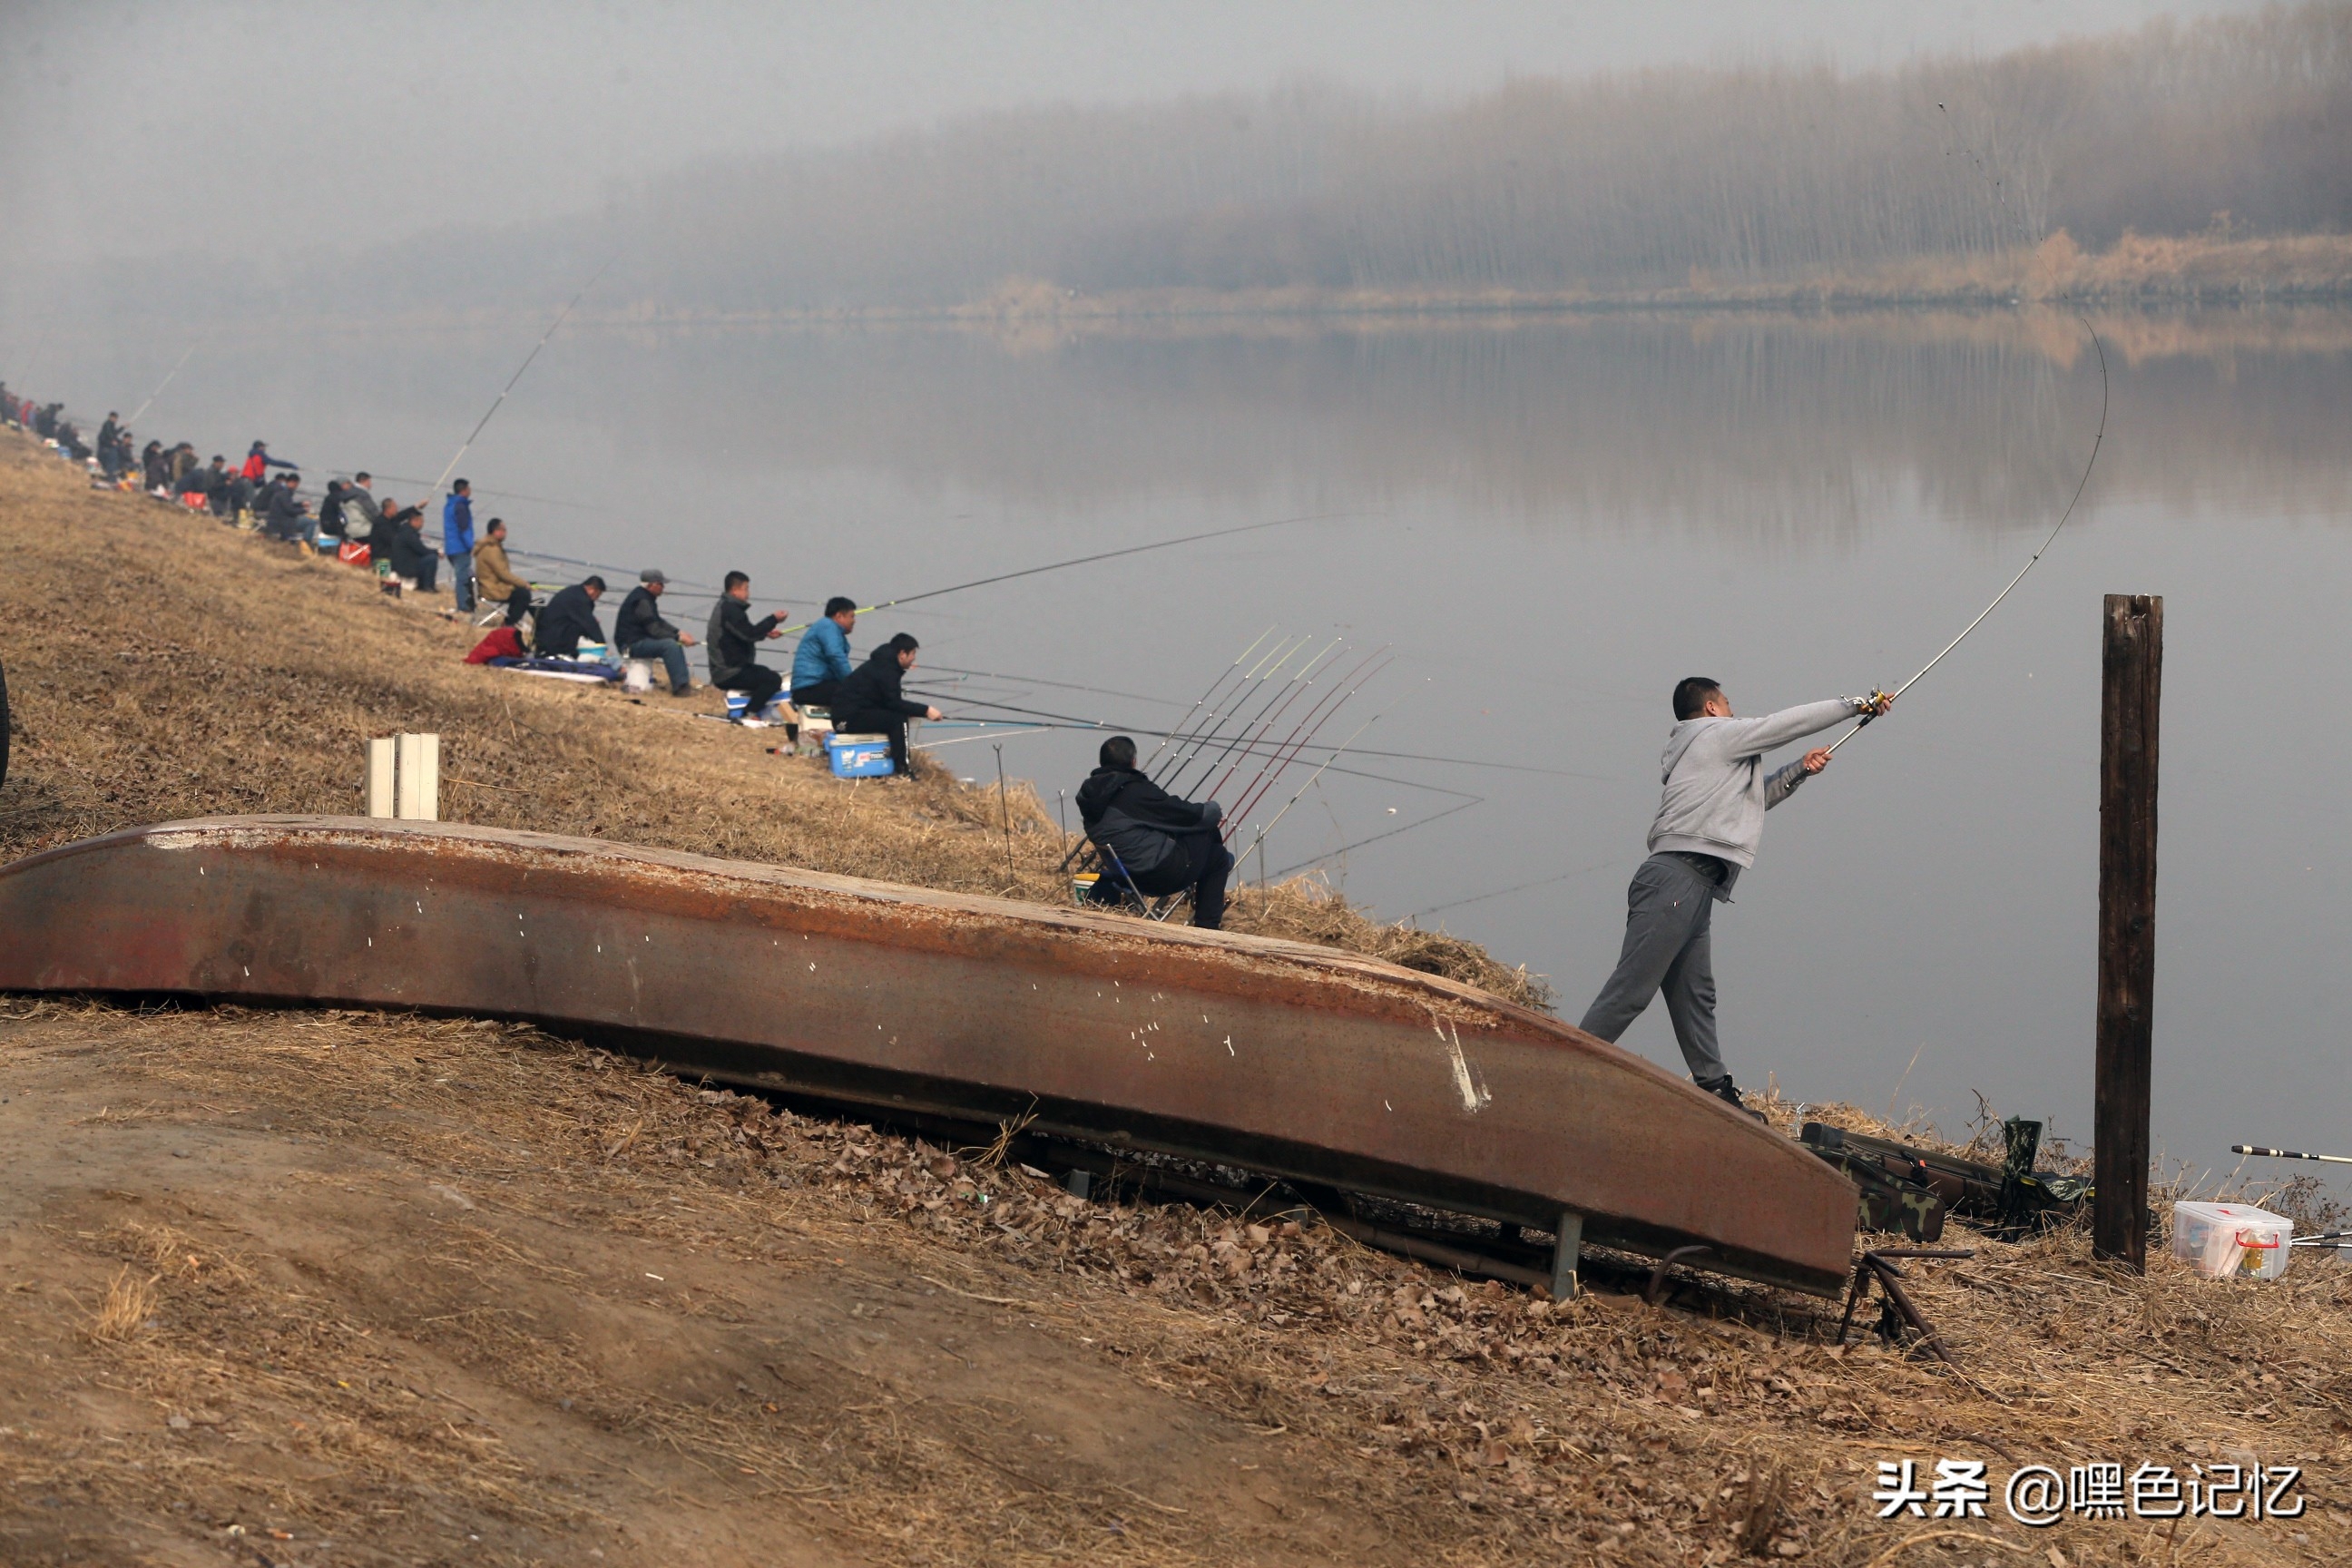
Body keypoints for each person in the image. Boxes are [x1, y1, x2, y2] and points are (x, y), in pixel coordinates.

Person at [1576, 678, 1892, 1115]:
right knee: (1632, 989)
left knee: (1695, 994)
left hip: (1695, 885)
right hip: (1675, 881)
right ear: (1710, 708)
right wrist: (1857, 704)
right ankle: (1565, 1062)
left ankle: (1713, 1088)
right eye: (1727, 703)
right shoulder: (1713, 735)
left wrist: (1798, 770)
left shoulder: (1710, 754)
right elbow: (1784, 724)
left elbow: (1752, 800)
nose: (1733, 710)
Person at [1073, 734, 1234, 929]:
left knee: (1206, 846)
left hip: (1126, 876)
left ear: (1102, 761)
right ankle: (1207, 927)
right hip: (1158, 876)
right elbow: (1185, 814)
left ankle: (1203, 899)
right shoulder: (1133, 791)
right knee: (1217, 855)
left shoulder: (1089, 796)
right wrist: (1213, 809)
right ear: (1133, 761)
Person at [830, 632, 943, 778]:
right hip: (847, 720)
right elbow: (894, 703)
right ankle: (903, 770)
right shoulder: (888, 670)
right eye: (913, 654)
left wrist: (916, 711)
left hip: (845, 717)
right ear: (902, 654)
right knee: (898, 719)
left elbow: (887, 702)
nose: (913, 658)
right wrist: (926, 710)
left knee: (895, 716)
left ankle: (899, 765)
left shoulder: (883, 663)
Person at [705, 571, 789, 714]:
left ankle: (752, 711)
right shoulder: (730, 610)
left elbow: (744, 633)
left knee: (766, 674)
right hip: (728, 672)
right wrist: (773, 619)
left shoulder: (727, 607)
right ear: (735, 590)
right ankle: (750, 713)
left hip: (730, 668)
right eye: (746, 589)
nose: (748, 594)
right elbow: (749, 634)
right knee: (772, 680)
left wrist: (765, 633)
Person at [613, 569, 698, 695]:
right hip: (631, 645)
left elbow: (658, 621)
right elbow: (654, 629)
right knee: (670, 646)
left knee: (672, 643)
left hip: (636, 641)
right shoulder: (642, 601)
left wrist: (679, 632)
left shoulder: (644, 597)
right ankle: (681, 688)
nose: (663, 587)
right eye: (661, 584)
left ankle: (682, 684)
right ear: (652, 585)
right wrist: (677, 638)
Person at [791, 595, 858, 711]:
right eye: (851, 616)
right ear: (839, 616)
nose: (854, 621)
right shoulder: (828, 626)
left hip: (814, 685)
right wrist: (852, 682)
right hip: (809, 686)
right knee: (856, 695)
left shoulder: (831, 630)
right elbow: (835, 656)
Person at [471, 518, 534, 625]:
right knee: (524, 595)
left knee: (522, 591)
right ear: (496, 531)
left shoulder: (491, 546)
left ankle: (529, 621)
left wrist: (524, 584)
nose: (505, 533)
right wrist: (524, 583)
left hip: (492, 586)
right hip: (492, 589)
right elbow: (503, 574)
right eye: (503, 530)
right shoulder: (492, 550)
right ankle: (509, 624)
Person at [535, 575, 607, 657]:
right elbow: (590, 624)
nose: (597, 598)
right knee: (582, 629)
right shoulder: (580, 599)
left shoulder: (574, 592)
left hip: (548, 633)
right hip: (556, 638)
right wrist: (602, 646)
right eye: (598, 594)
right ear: (592, 590)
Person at [385, 496, 437, 590]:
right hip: (405, 568)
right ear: (414, 521)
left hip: (399, 564)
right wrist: (436, 552)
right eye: (421, 521)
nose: (422, 524)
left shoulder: (404, 530)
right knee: (432, 559)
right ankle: (428, 587)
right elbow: (422, 550)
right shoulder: (409, 534)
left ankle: (424, 585)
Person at [441, 479, 476, 614]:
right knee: (462, 578)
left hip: (450, 548)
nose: (470, 491)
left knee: (465, 576)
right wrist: (471, 545)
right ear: (464, 490)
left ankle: (467, 604)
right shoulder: (460, 506)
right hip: (460, 548)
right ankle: (463, 607)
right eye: (469, 488)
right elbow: (464, 528)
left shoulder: (449, 504)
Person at [260, 471, 317, 549]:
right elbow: (290, 510)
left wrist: (301, 504)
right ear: (293, 482)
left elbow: (288, 505)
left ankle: (304, 542)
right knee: (311, 522)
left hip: (279, 520)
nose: (297, 486)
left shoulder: (282, 491)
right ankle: (306, 543)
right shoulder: (285, 493)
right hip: (283, 522)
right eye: (297, 484)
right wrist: (304, 510)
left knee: (307, 520)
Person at [96, 413, 121, 477]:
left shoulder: (111, 424)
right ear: (111, 417)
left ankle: (106, 472)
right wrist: (113, 440)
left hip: (106, 444)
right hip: (104, 444)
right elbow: (109, 433)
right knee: (102, 458)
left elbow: (114, 433)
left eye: (116, 418)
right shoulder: (107, 424)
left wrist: (122, 427)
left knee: (104, 459)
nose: (115, 420)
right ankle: (106, 473)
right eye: (114, 418)